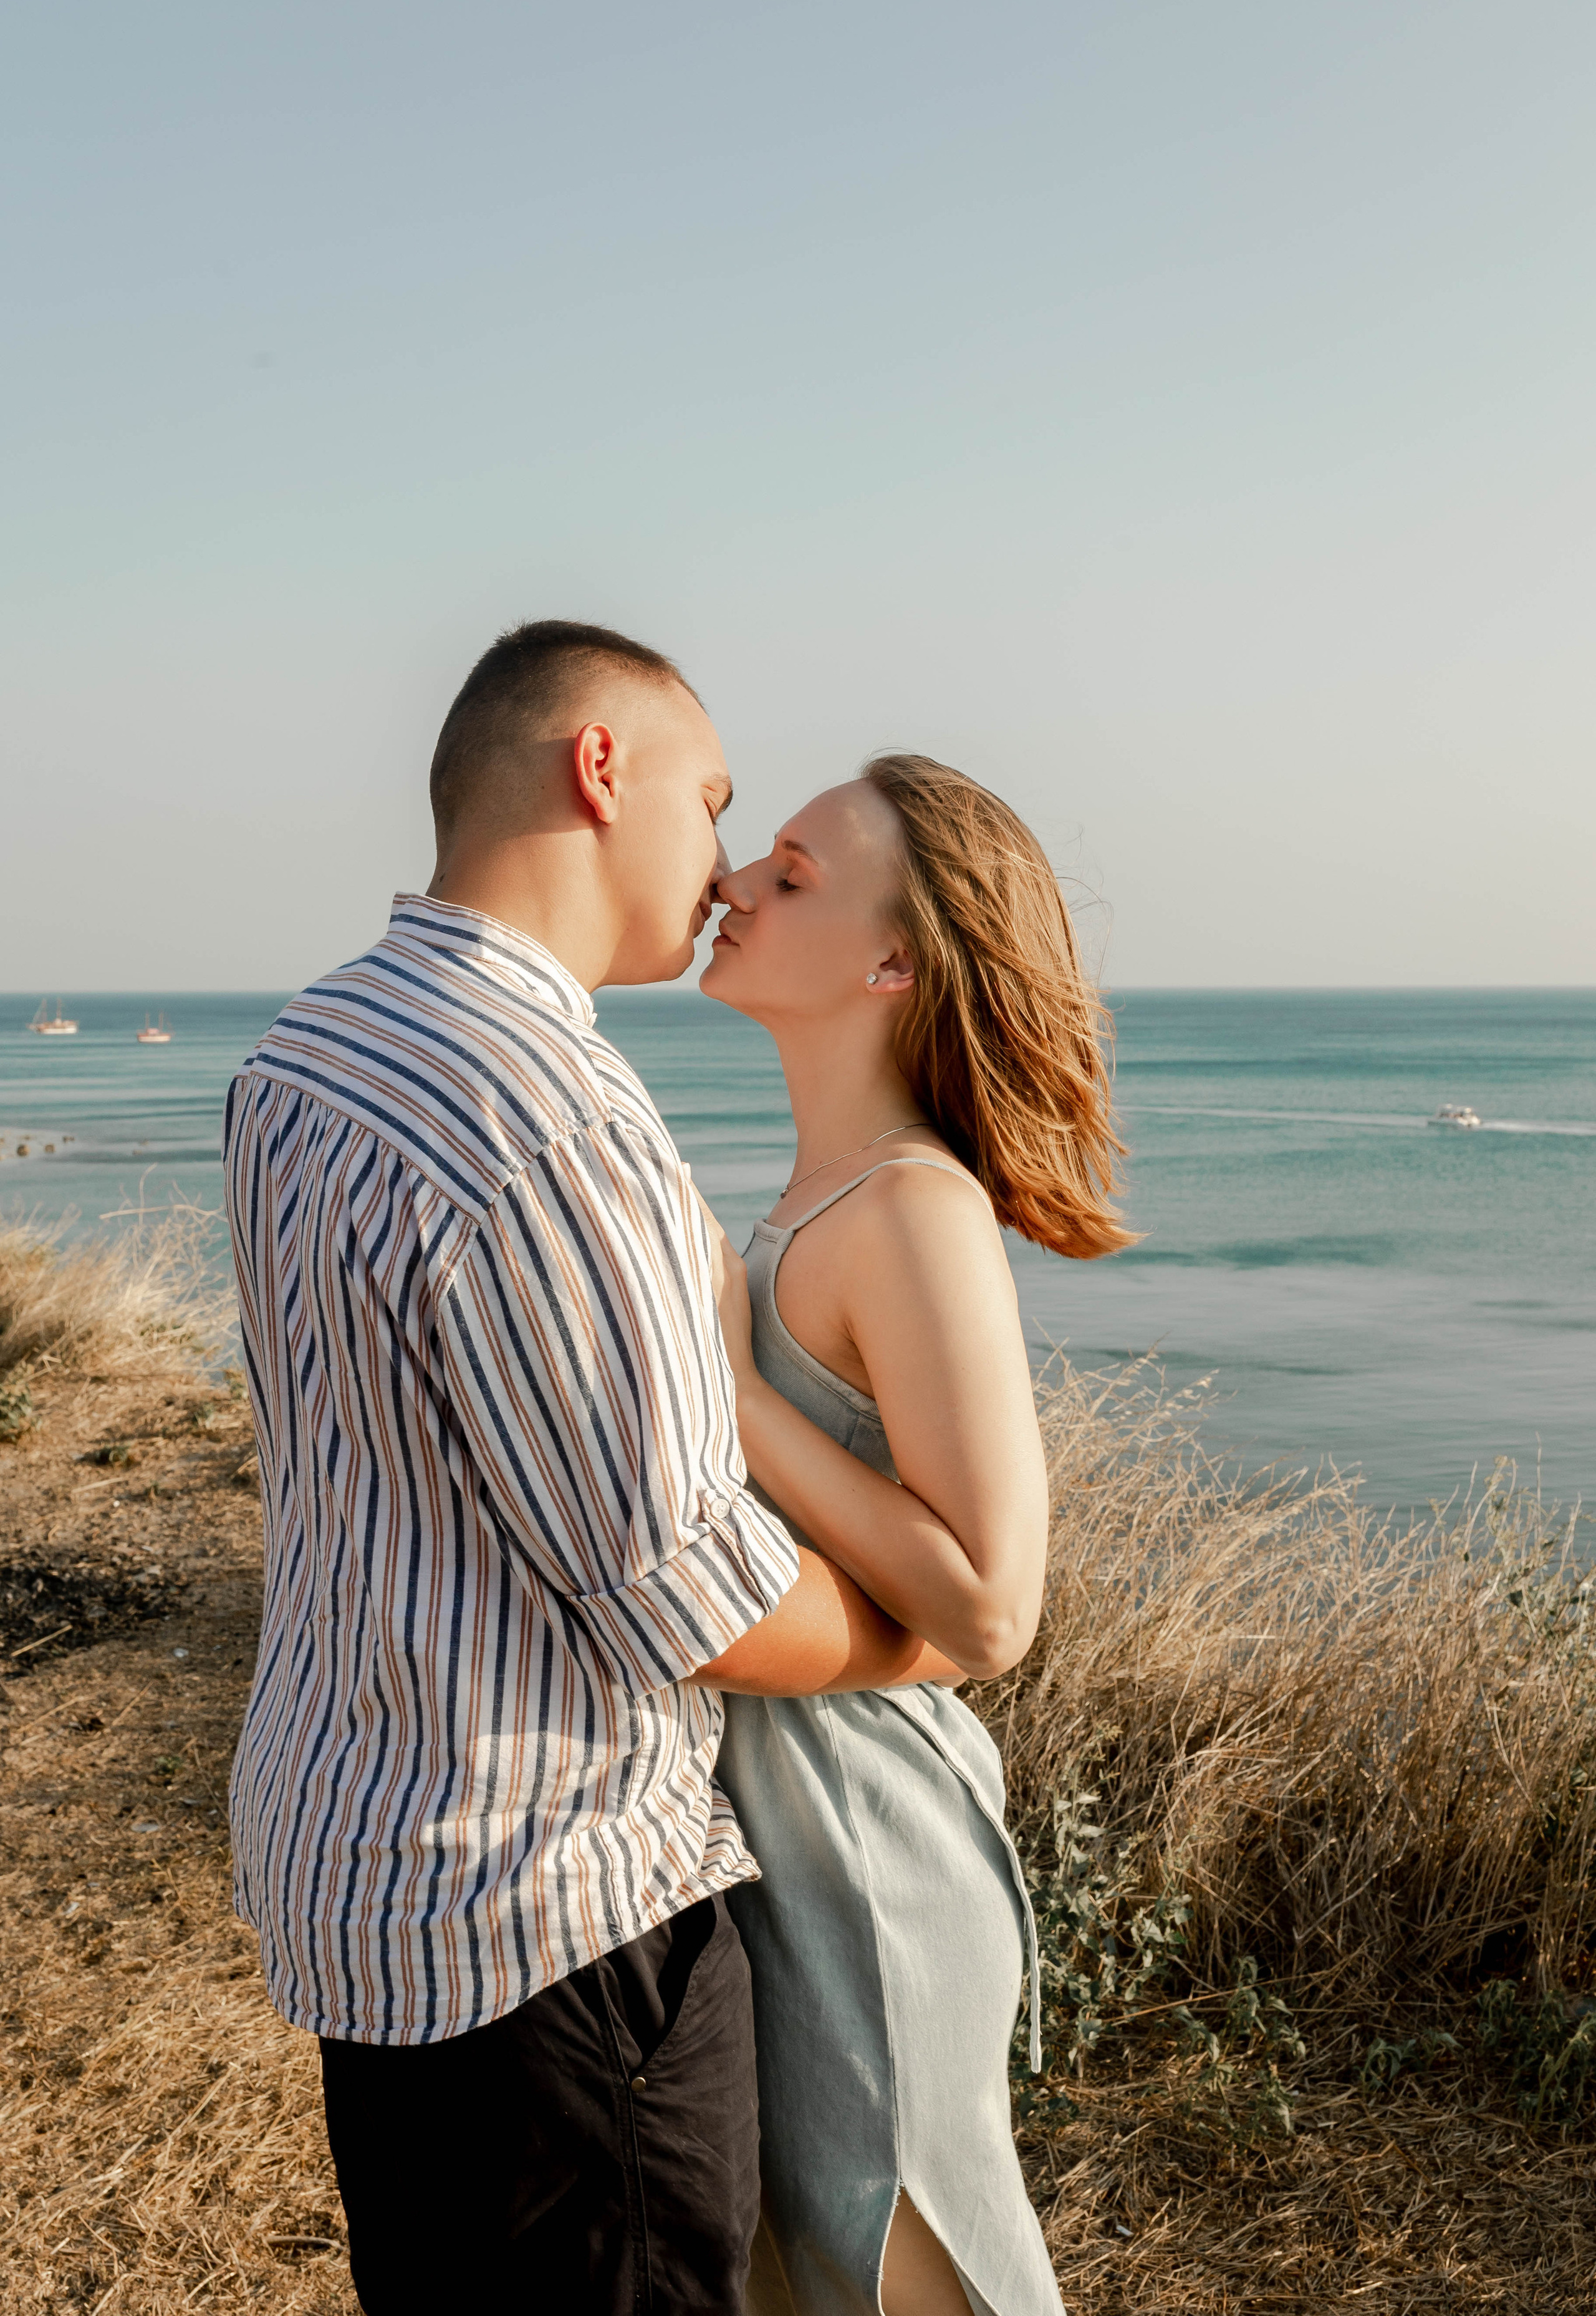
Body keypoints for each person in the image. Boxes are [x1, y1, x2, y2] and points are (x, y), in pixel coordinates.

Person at [221, 622, 961, 2316]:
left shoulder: (303, 1055)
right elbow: (688, 1599)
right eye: (710, 805)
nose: (719, 868)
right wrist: (920, 1638)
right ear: (599, 767)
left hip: (364, 1872)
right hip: (549, 1921)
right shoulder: (554, 1122)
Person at [700, 754, 1132, 2316]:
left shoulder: (906, 1208)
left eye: (793, 875)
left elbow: (993, 1606)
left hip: (866, 1846)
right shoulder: (817, 1197)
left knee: (911, 2265)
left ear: (893, 961)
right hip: (783, 1823)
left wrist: (737, 1398)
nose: (733, 881)